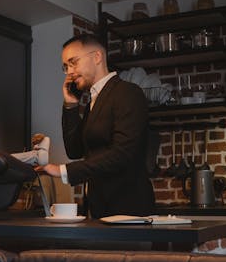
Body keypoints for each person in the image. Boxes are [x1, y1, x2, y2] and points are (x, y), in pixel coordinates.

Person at [37, 33, 156, 218]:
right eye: (66, 66)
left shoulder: (128, 93)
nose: (69, 72)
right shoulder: (94, 100)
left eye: (73, 62)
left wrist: (62, 171)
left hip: (129, 212)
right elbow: (74, 150)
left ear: (97, 57)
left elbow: (122, 154)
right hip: (98, 209)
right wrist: (70, 105)